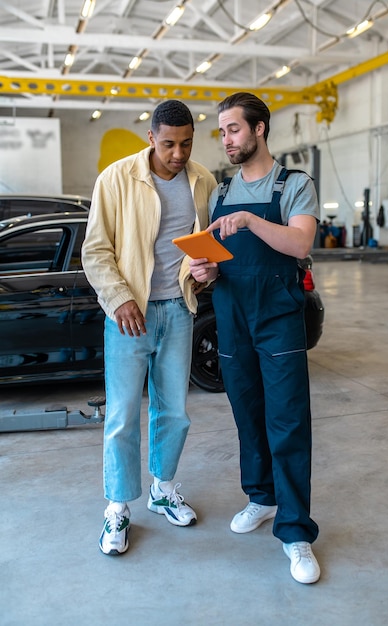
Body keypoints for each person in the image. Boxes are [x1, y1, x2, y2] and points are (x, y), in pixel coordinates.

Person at [189, 92, 321, 584]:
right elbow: (216, 264)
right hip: (232, 314)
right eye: (221, 131)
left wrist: (248, 220)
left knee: (286, 420)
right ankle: (262, 498)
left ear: (260, 129)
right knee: (247, 413)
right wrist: (203, 271)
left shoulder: (293, 184)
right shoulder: (219, 194)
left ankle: (295, 531)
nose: (225, 139)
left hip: (278, 317)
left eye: (234, 129)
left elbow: (300, 242)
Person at [82, 100, 217, 556]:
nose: (178, 154)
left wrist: (208, 272)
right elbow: (95, 251)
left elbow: (207, 249)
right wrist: (119, 298)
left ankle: (163, 489)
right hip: (129, 317)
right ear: (151, 138)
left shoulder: (203, 181)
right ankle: (117, 509)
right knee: (122, 417)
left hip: (179, 310)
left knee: (174, 412)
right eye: (168, 144)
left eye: (186, 143)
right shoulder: (116, 179)